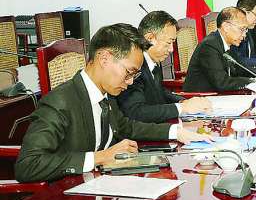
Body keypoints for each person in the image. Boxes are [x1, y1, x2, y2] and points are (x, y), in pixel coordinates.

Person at [15, 24, 208, 183]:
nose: (130, 82)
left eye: (135, 75)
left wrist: (177, 132)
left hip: (103, 187)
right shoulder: (60, 102)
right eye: (129, 72)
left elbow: (125, 127)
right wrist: (99, 157)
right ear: (104, 59)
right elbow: (28, 165)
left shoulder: (107, 93)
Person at [115, 11, 211, 123]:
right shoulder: (134, 68)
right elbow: (136, 112)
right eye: (168, 43)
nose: (171, 49)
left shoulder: (153, 61)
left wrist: (182, 102)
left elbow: (159, 92)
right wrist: (181, 108)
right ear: (150, 38)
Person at [183, 7, 256, 92]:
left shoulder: (229, 43)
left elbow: (238, 68)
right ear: (226, 27)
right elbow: (222, 82)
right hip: (200, 97)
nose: (244, 35)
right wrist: (252, 81)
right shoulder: (209, 46)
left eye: (246, 30)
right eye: (242, 29)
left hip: (217, 95)